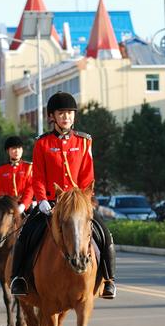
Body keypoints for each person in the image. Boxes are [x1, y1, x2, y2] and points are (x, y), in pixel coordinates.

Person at [10, 92, 116, 300]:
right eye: (61, 113)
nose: (66, 117)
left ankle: (109, 279)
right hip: (50, 202)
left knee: (104, 234)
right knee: (25, 234)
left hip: (78, 203)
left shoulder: (84, 142)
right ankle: (18, 278)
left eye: (69, 113)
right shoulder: (42, 144)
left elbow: (88, 175)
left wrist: (84, 201)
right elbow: (38, 176)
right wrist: (40, 200)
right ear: (53, 117)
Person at [0, 135, 34, 260]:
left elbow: (30, 189)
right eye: (13, 149)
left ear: (22, 150)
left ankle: (33, 256)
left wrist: (22, 205)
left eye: (19, 148)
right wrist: (7, 205)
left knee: (36, 227)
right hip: (6, 208)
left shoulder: (28, 167)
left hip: (24, 207)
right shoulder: (1, 169)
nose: (16, 151)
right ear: (8, 151)